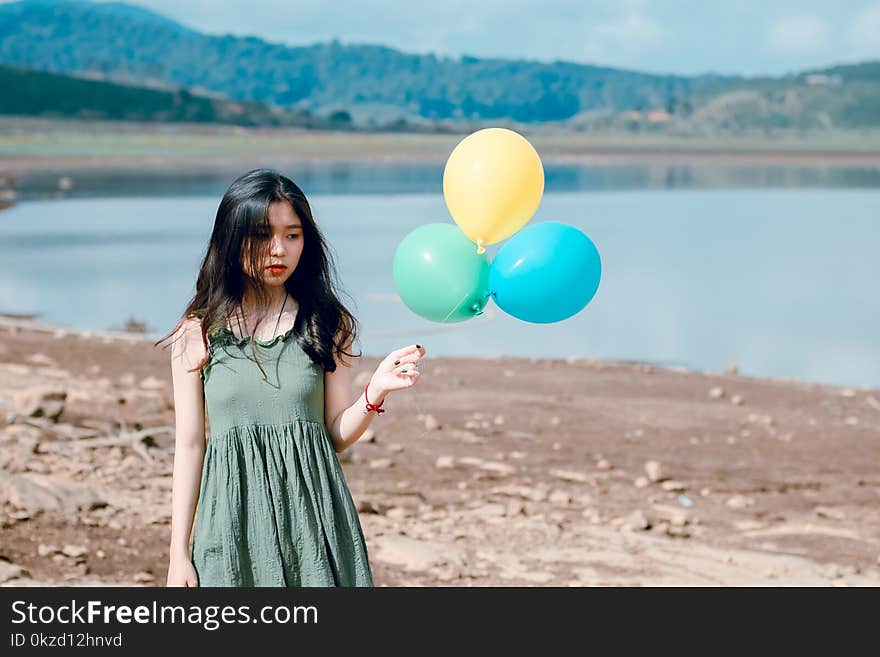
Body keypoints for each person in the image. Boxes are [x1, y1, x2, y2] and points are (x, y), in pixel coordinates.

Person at [159, 168, 424, 586]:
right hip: (231, 523)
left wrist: (374, 391)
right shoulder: (197, 331)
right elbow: (190, 446)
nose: (278, 249)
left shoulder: (326, 323)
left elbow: (335, 433)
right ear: (232, 237)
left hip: (313, 520)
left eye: (292, 235)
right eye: (262, 235)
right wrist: (178, 555)